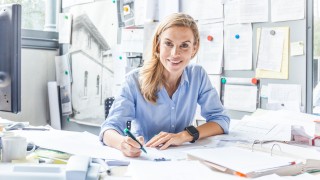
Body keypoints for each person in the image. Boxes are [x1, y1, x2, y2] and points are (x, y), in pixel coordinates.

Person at [100, 13, 230, 157]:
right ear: (158, 45)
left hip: (182, 157)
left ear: (194, 48)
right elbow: (108, 129)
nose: (175, 53)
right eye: (168, 44)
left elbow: (221, 120)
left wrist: (184, 135)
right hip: (146, 156)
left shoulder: (197, 75)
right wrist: (122, 143)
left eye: (184, 45)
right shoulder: (134, 81)